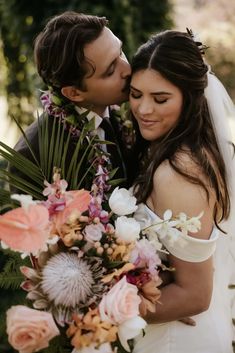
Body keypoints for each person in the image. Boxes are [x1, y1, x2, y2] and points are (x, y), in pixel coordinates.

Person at [129, 30, 235, 353]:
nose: (144, 109)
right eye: (135, 94)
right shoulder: (174, 150)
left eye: (160, 99)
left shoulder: (179, 172)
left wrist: (98, 311)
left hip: (180, 341)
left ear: (189, 98)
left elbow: (194, 295)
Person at [12, 11, 131, 191]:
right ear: (74, 93)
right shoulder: (34, 156)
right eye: (110, 70)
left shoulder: (138, 113)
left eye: (121, 53)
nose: (128, 70)